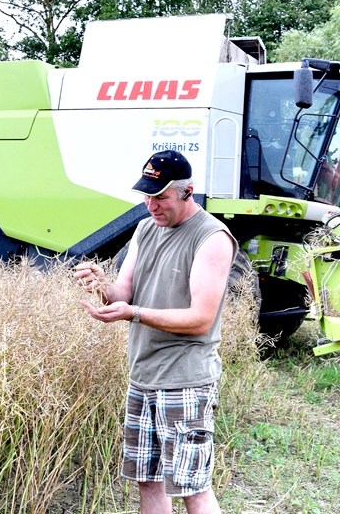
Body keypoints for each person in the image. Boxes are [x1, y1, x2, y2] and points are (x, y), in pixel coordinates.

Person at [75, 150, 237, 514]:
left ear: (187, 192)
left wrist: (133, 314)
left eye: (160, 197)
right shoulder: (146, 227)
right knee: (147, 481)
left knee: (192, 489)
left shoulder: (212, 238)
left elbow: (200, 319)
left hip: (185, 380)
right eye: (147, 195)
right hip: (143, 375)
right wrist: (102, 285)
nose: (151, 206)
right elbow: (124, 292)